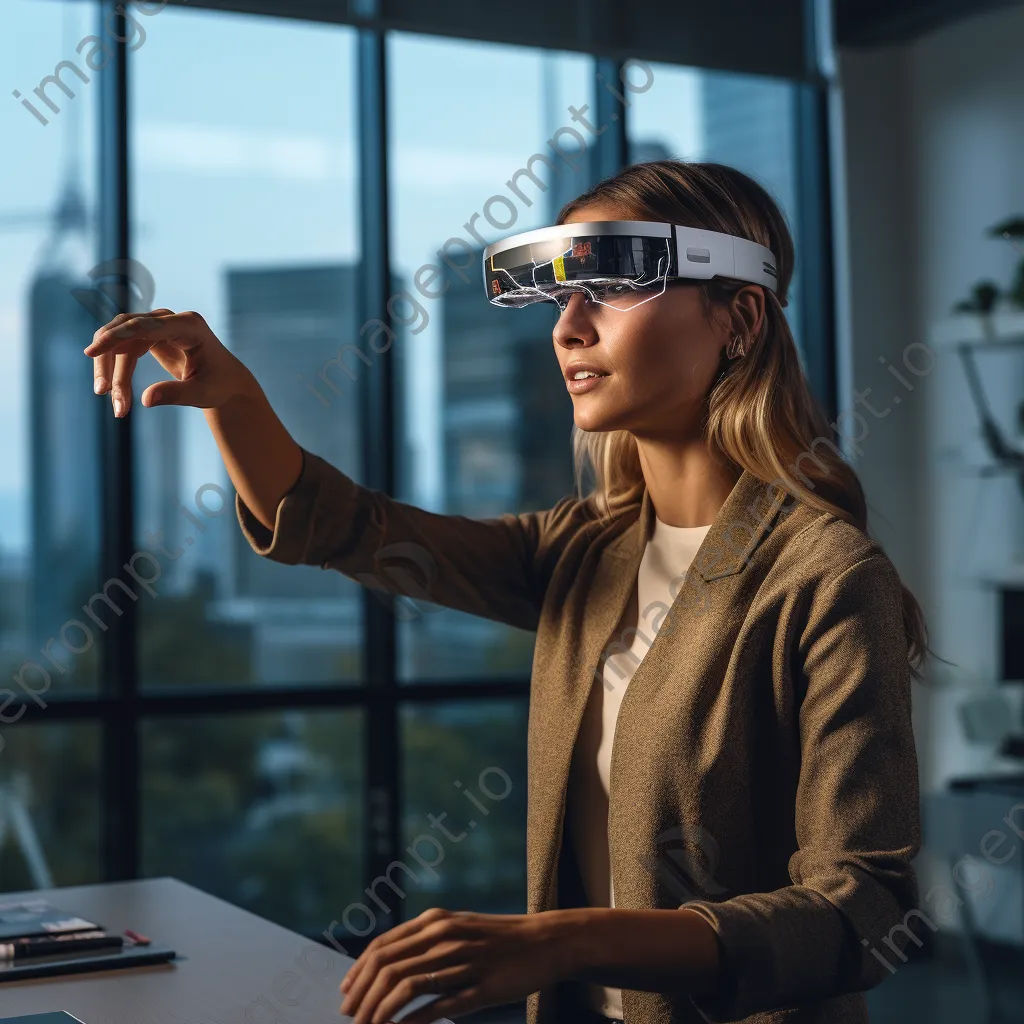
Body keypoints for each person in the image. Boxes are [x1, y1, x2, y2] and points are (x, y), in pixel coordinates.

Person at [83, 160, 931, 1024]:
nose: (569, 328)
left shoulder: (826, 578)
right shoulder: (587, 553)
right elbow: (352, 530)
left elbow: (866, 912)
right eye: (562, 297)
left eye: (611, 286)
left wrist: (566, 940)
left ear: (740, 317)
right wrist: (235, 397)